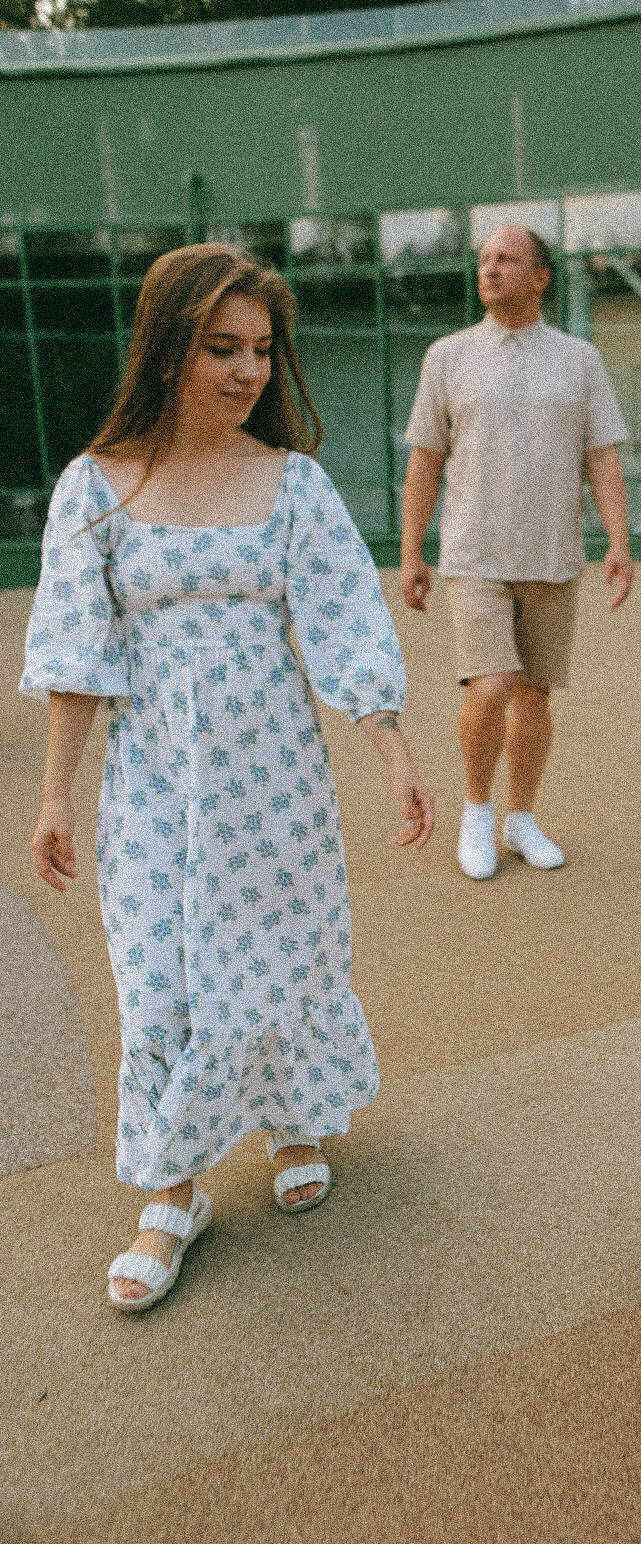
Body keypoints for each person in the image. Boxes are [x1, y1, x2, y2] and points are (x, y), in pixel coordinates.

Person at [22, 243, 434, 1313]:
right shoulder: (95, 489)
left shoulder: (290, 482)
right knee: (157, 971)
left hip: (274, 778)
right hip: (155, 783)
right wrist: (57, 795)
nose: (248, 370)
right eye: (222, 349)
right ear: (168, 350)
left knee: (279, 949)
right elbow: (75, 656)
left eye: (261, 349)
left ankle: (292, 1119)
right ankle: (171, 1194)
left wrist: (392, 753)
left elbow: (344, 621)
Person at [399, 223, 633, 880]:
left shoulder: (580, 360)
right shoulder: (447, 357)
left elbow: (602, 455)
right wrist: (412, 551)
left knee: (534, 694)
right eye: (484, 259)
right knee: (493, 684)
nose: (491, 268)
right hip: (474, 555)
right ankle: (478, 810)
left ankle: (521, 817)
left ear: (541, 276)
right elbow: (425, 459)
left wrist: (619, 542)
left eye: (507, 258)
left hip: (555, 555)